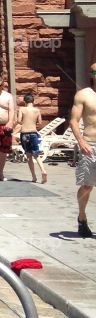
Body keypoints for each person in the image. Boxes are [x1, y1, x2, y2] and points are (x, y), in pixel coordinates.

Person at [70, 63, 96, 238]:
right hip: (90, 144)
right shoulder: (84, 95)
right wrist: (81, 141)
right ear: (92, 74)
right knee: (87, 186)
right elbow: (73, 121)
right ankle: (82, 217)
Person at [15, 93, 48, 185]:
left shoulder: (22, 109)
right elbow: (40, 122)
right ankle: (43, 170)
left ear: (25, 102)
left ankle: (33, 176)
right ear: (33, 101)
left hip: (25, 133)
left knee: (29, 156)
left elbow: (19, 121)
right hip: (33, 133)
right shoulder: (37, 110)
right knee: (36, 155)